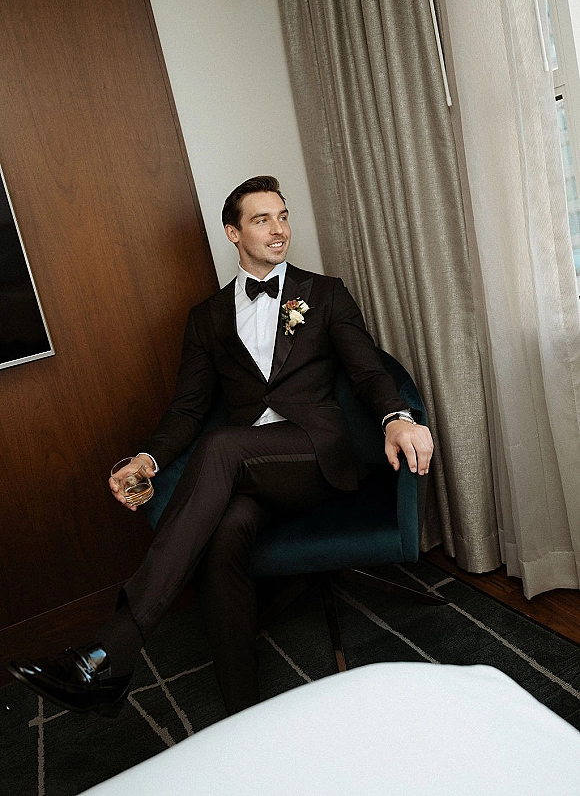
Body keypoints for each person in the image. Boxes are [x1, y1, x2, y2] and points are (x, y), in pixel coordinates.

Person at [9, 176, 433, 717]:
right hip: (247, 470)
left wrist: (396, 417)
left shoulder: (325, 293)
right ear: (233, 232)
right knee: (225, 535)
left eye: (282, 216)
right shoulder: (206, 318)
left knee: (221, 449)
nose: (278, 229)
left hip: (313, 458)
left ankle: (109, 651)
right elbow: (187, 409)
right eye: (262, 220)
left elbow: (369, 371)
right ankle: (242, 715)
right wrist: (148, 459)